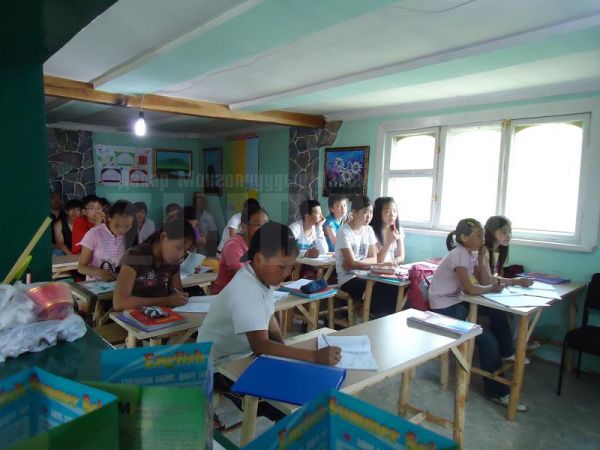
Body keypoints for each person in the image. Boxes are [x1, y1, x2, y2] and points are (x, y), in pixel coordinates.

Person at [196, 221, 340, 366]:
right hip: (216, 365)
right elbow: (260, 346)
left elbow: (270, 320)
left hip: (239, 355)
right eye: (282, 266)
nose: (287, 273)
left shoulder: (263, 278)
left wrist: (284, 351)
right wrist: (313, 356)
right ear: (259, 259)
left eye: (291, 266)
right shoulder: (246, 288)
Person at [427, 218, 527, 412]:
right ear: (464, 238)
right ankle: (497, 392)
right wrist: (491, 288)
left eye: (483, 235)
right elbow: (471, 289)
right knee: (487, 340)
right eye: (479, 236)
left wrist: (482, 260)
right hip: (443, 309)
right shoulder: (458, 254)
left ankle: (507, 353)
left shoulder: (471, 253)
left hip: (456, 302)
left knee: (496, 312)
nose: (483, 239)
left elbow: (483, 280)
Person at [113, 218, 197, 311]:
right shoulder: (135, 256)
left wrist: (180, 298)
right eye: (179, 248)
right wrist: (166, 301)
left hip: (162, 314)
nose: (181, 255)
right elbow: (120, 303)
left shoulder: (173, 262)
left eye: (185, 251)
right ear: (163, 237)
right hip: (132, 315)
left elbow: (177, 291)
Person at [334, 195, 395, 316]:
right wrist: (358, 264)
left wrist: (356, 263)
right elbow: (352, 263)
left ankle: (370, 315)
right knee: (379, 288)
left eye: (371, 212)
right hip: (348, 278)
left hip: (366, 274)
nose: (369, 216)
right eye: (365, 212)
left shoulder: (368, 230)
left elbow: (373, 258)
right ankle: (365, 315)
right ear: (354, 212)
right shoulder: (344, 231)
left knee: (391, 286)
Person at [211, 204, 268, 295]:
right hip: (225, 297)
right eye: (258, 224)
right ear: (244, 226)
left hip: (249, 294)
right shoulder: (233, 245)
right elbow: (242, 278)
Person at [77, 200, 135, 281]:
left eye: (127, 226)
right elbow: (81, 267)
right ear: (109, 217)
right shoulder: (94, 234)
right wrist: (100, 273)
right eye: (117, 225)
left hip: (120, 283)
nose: (122, 230)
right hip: (95, 284)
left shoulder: (131, 235)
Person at [478, 215, 534, 288]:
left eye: (510, 231)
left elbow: (497, 276)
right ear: (491, 232)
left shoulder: (499, 250)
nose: (509, 236)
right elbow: (486, 280)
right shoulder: (484, 251)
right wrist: (516, 281)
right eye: (504, 232)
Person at [370, 197, 405, 264]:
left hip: (391, 267)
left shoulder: (398, 230)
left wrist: (392, 262)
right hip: (377, 268)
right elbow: (377, 261)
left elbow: (401, 257)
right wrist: (389, 242)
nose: (392, 215)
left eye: (394, 211)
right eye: (387, 211)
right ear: (379, 213)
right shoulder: (371, 231)